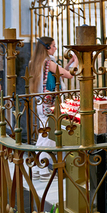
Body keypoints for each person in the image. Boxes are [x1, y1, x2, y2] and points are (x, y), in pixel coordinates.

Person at [28, 36, 78, 178]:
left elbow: (58, 74)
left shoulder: (36, 62)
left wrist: (69, 63)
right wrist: (77, 61)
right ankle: (43, 170)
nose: (55, 48)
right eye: (54, 46)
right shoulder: (48, 62)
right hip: (49, 104)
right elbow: (69, 75)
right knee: (48, 136)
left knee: (43, 134)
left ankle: (37, 167)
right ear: (47, 47)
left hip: (41, 102)